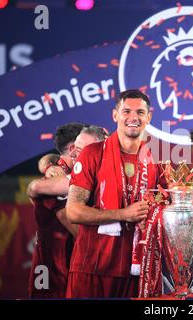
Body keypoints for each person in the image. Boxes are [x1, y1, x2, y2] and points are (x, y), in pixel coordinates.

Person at [65, 89, 160, 298]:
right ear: (115, 115)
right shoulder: (93, 153)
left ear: (149, 117)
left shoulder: (156, 158)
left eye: (140, 112)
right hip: (93, 267)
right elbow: (73, 211)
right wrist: (123, 214)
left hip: (137, 269)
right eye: (126, 111)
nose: (133, 117)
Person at [26, 122, 85, 298]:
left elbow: (49, 159)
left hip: (66, 269)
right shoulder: (52, 185)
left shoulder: (65, 174)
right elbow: (78, 231)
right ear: (73, 148)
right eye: (87, 145)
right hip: (54, 275)